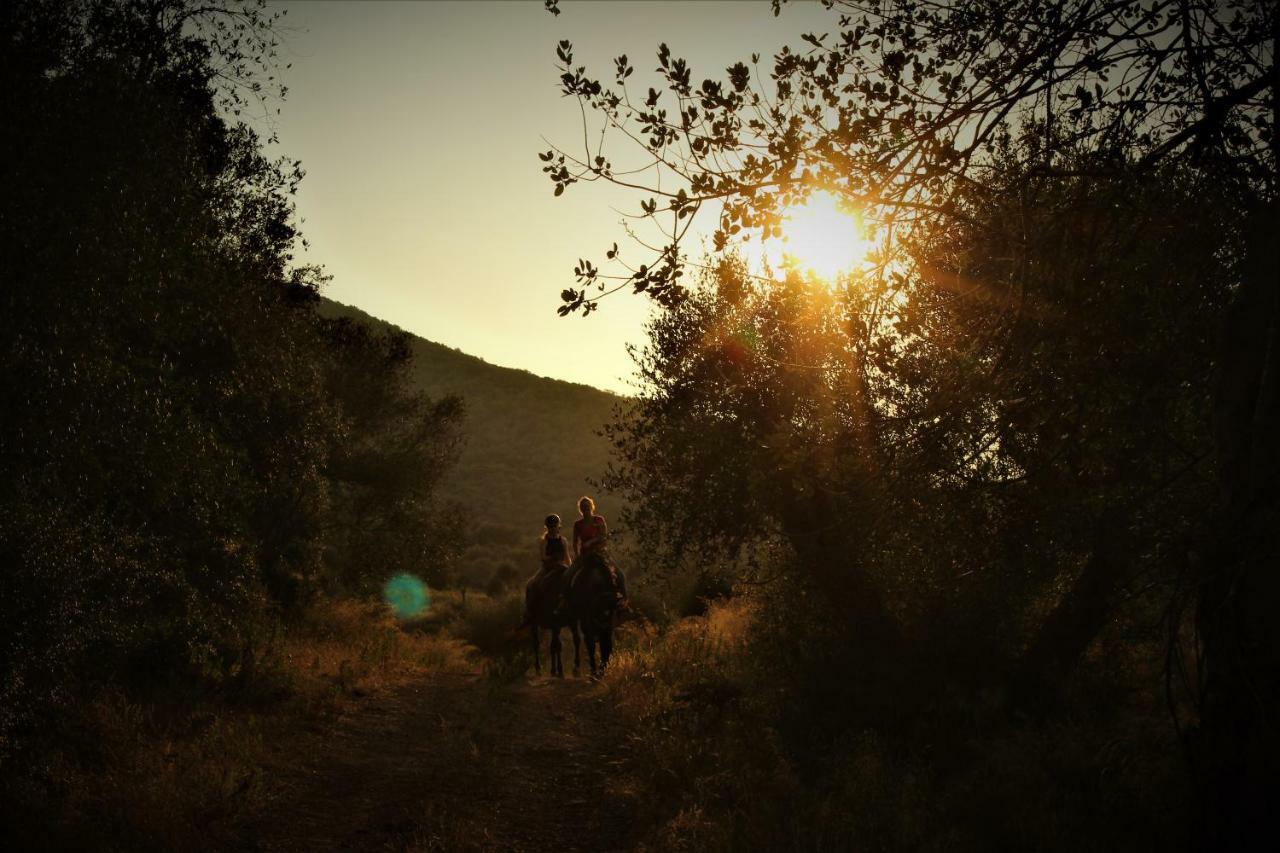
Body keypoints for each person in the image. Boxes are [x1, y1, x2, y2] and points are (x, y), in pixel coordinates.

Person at [571, 496, 625, 602]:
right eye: (583, 507)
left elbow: (603, 536)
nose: (585, 509)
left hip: (600, 553)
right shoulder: (578, 524)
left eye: (587, 506)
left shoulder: (599, 520)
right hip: (585, 555)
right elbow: (574, 542)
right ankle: (566, 600)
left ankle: (623, 600)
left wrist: (591, 542)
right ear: (580, 509)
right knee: (569, 575)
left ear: (592, 507)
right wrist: (577, 556)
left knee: (619, 574)